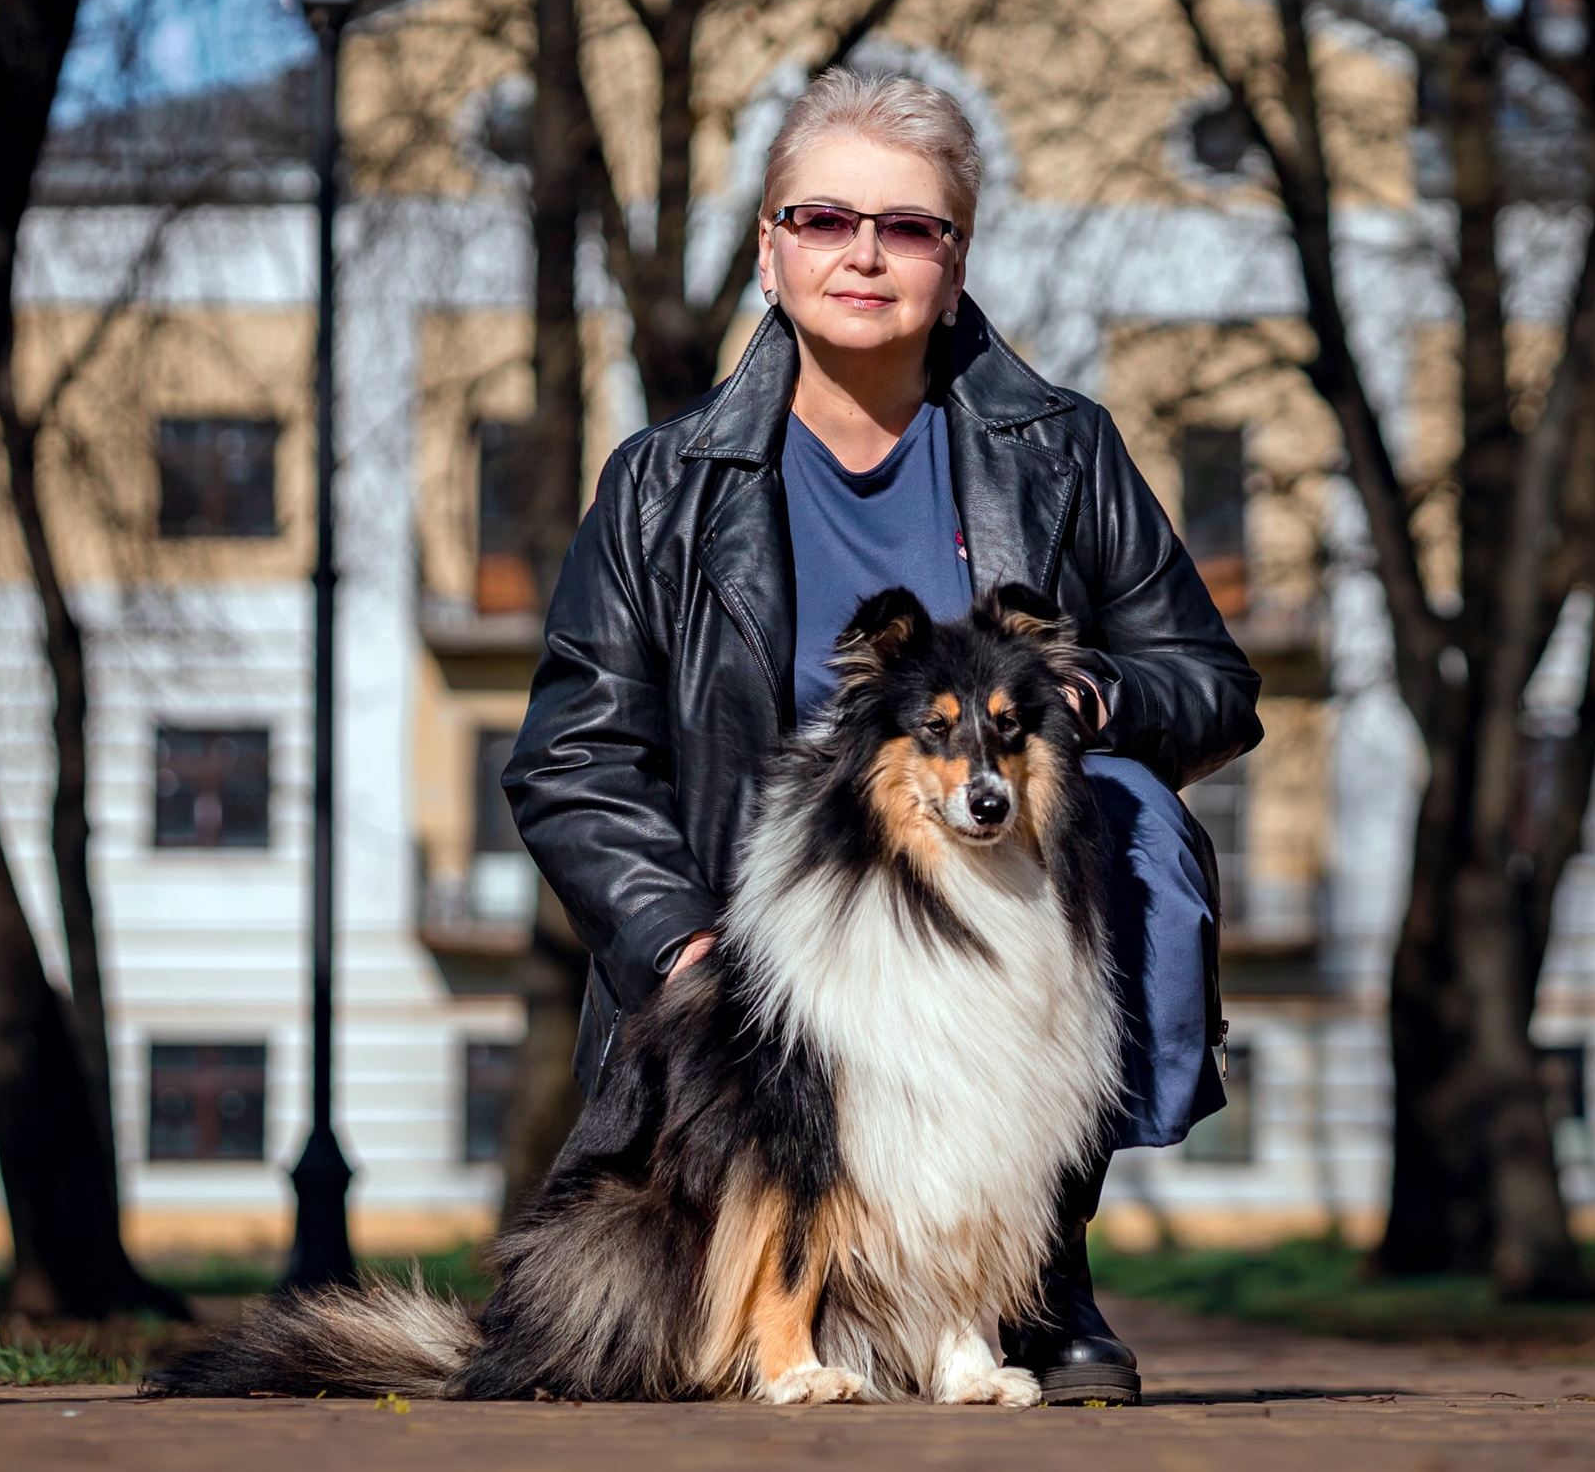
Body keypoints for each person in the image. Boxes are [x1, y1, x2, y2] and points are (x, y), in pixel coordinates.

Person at [501, 69, 1261, 1405]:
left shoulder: (1061, 452)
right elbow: (575, 756)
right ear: (770, 247)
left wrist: (1088, 704)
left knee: (1132, 816)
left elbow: (1207, 678)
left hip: (996, 911)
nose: (864, 252)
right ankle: (791, 1293)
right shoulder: (665, 483)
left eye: (911, 227)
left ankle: (1035, 1272)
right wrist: (680, 941)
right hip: (774, 957)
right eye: (825, 217)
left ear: (956, 262)